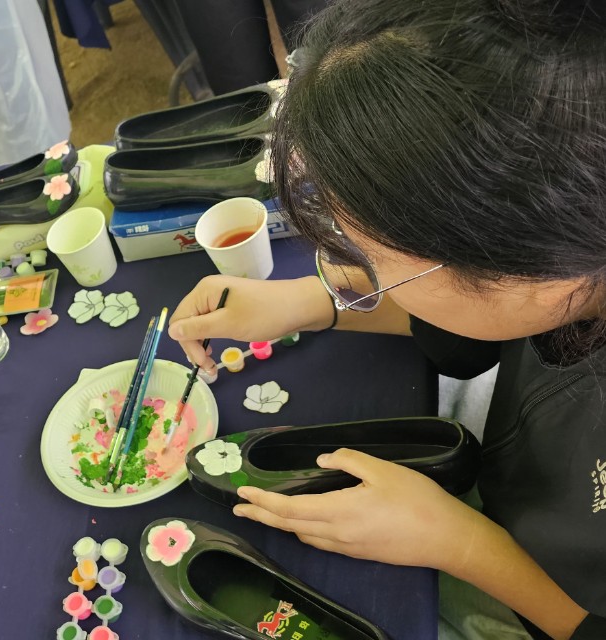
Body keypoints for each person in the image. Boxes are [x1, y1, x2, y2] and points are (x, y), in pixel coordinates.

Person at [166, 1, 606, 639]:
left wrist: (459, 543)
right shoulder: (566, 256)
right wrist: (311, 301)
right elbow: (470, 324)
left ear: (520, 256)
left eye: (372, 260)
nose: (353, 272)